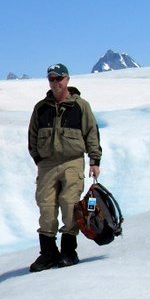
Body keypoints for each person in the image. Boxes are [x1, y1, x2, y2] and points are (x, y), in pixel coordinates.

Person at [28, 63, 102, 272]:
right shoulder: (41, 108)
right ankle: (49, 253)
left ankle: (69, 252)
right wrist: (40, 160)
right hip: (47, 165)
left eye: (59, 78)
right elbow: (32, 136)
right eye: (52, 79)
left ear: (67, 80)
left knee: (70, 207)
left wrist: (94, 160)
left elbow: (91, 133)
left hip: (72, 162)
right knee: (46, 209)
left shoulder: (80, 106)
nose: (56, 83)